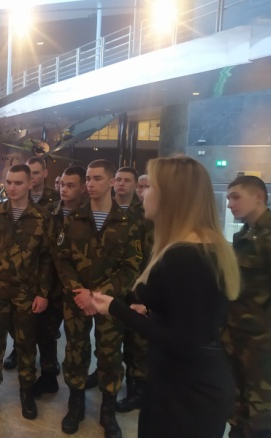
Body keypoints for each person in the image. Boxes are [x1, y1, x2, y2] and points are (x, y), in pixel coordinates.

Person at [91, 155, 240, 438]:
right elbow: (189, 315)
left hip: (185, 390)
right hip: (186, 379)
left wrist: (116, 308)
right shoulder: (203, 245)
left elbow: (180, 341)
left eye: (150, 187)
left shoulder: (184, 256)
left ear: (171, 196)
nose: (143, 194)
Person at [52, 159, 142, 437]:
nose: (90, 184)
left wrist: (100, 295)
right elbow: (62, 259)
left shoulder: (127, 222)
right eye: (88, 178)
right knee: (75, 351)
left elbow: (131, 266)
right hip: (77, 299)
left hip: (111, 302)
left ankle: (108, 410)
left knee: (110, 354)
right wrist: (80, 292)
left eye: (97, 178)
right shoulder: (73, 218)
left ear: (112, 182)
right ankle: (76, 404)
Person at [0, 164, 52, 420]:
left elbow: (47, 259)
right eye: (9, 182)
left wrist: (43, 293)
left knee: (26, 345)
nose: (12, 187)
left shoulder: (41, 217)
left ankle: (26, 392)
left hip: (27, 293)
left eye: (18, 183)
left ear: (30, 184)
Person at [225, 175, 271, 438]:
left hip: (264, 345)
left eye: (236, 197)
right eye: (228, 198)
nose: (229, 204)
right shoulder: (244, 235)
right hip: (239, 339)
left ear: (258, 197)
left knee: (262, 418)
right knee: (238, 410)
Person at [33, 166, 87, 398]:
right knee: (45, 334)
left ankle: (77, 393)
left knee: (77, 341)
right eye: (62, 184)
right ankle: (48, 376)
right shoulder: (49, 212)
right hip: (51, 285)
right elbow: (42, 251)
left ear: (83, 188)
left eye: (71, 185)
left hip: (78, 287)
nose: (64, 189)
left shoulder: (90, 215)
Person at [2, 156, 59, 371]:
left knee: (46, 325)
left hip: (41, 275)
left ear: (44, 173)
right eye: (29, 172)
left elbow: (49, 249)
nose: (32, 177)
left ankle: (48, 362)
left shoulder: (54, 199)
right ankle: (18, 350)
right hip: (15, 275)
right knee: (16, 322)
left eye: (36, 172)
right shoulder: (11, 200)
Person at [113, 167, 152, 413]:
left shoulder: (145, 213)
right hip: (113, 285)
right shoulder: (106, 208)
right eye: (118, 180)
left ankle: (137, 389)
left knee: (136, 342)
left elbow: (149, 254)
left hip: (137, 288)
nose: (122, 184)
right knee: (108, 337)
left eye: (128, 181)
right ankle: (106, 374)